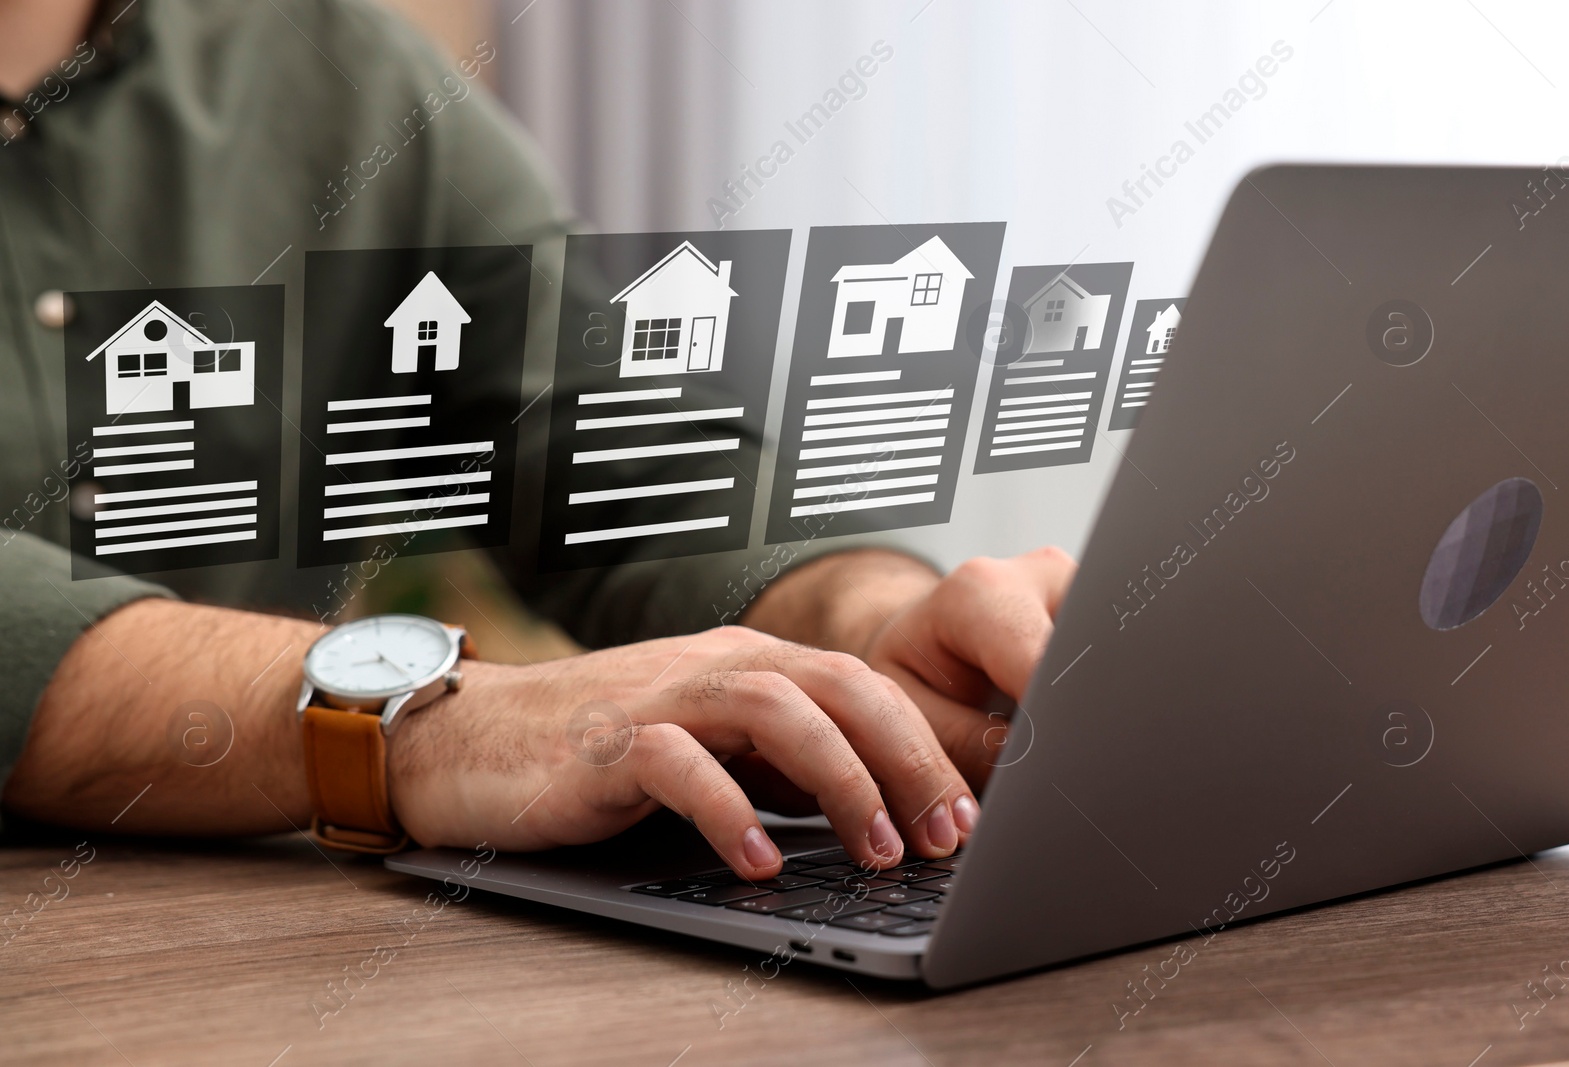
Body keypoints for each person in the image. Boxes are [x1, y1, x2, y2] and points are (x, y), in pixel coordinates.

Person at [0, 0, 1074, 880]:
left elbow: (602, 426)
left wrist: (856, 623)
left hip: (262, 951)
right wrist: (420, 721)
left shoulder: (334, 66)